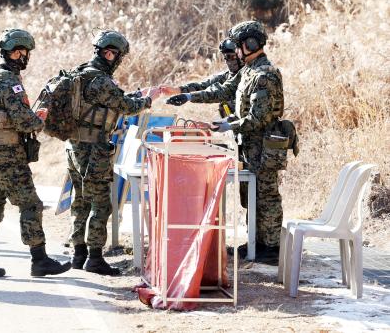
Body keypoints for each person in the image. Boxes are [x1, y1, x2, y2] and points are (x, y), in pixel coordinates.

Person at [166, 21, 285, 263]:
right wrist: (190, 97)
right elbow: (222, 91)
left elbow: (258, 118)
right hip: (249, 146)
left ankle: (271, 248)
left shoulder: (264, 75)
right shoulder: (249, 71)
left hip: (263, 147)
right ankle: (256, 242)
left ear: (249, 45)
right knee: (250, 197)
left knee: (266, 196)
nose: (235, 53)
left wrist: (229, 125)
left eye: (238, 46)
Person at [0, 28, 70, 278]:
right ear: (18, 53)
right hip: (7, 153)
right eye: (24, 52)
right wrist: (39, 118)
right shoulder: (9, 81)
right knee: (30, 204)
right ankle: (39, 259)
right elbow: (25, 122)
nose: (25, 56)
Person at [67, 30, 158, 275]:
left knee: (80, 200)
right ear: (110, 54)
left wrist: (136, 96)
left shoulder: (81, 73)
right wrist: (147, 100)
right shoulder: (102, 81)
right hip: (94, 147)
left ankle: (79, 254)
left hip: (74, 145)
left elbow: (112, 101)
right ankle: (94, 258)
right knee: (100, 202)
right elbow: (126, 107)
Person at [158, 38, 242, 117]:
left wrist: (188, 96)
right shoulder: (228, 75)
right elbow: (203, 85)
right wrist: (177, 90)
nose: (229, 61)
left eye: (232, 57)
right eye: (226, 57)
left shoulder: (250, 75)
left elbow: (220, 93)